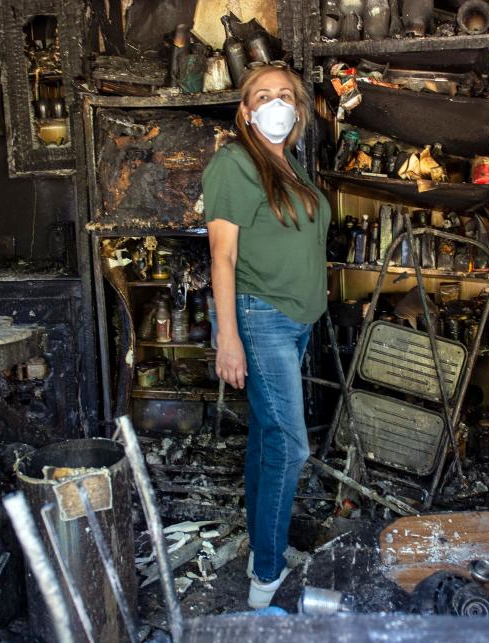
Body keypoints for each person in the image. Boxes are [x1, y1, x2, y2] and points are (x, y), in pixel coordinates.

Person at [202, 63, 331, 608]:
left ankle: (261, 550)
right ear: (246, 110)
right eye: (263, 95)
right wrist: (227, 337)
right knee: (290, 445)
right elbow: (222, 254)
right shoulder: (234, 162)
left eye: (285, 95)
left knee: (265, 438)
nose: (276, 103)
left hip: (295, 321)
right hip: (260, 318)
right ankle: (268, 578)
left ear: (297, 109)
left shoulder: (289, 164)